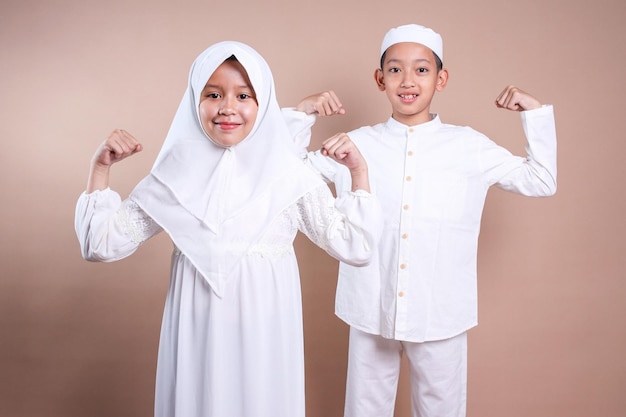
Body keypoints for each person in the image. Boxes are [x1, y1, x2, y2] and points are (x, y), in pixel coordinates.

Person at [74, 41, 382, 417]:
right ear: (194, 100)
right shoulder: (175, 174)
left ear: (263, 103)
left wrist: (359, 173)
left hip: (265, 335)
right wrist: (100, 168)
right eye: (214, 94)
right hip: (197, 335)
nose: (228, 108)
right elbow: (100, 244)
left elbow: (355, 246)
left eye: (244, 95)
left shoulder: (287, 175)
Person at [293, 24, 557, 417]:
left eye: (422, 69)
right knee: (365, 410)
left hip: (442, 311)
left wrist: (534, 113)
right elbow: (288, 178)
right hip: (370, 307)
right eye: (396, 70)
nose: (408, 80)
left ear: (441, 78)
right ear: (380, 79)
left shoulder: (468, 145)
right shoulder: (356, 143)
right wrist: (300, 116)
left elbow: (541, 180)